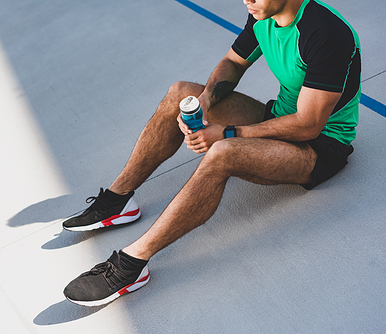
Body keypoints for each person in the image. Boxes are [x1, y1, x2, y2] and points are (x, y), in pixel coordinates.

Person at [62, 0, 361, 307]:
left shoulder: (326, 33)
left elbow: (308, 125)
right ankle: (118, 199)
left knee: (222, 151)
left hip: (319, 147)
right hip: (276, 117)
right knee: (182, 92)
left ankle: (131, 264)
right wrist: (204, 99)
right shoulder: (263, 11)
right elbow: (234, 62)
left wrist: (229, 132)